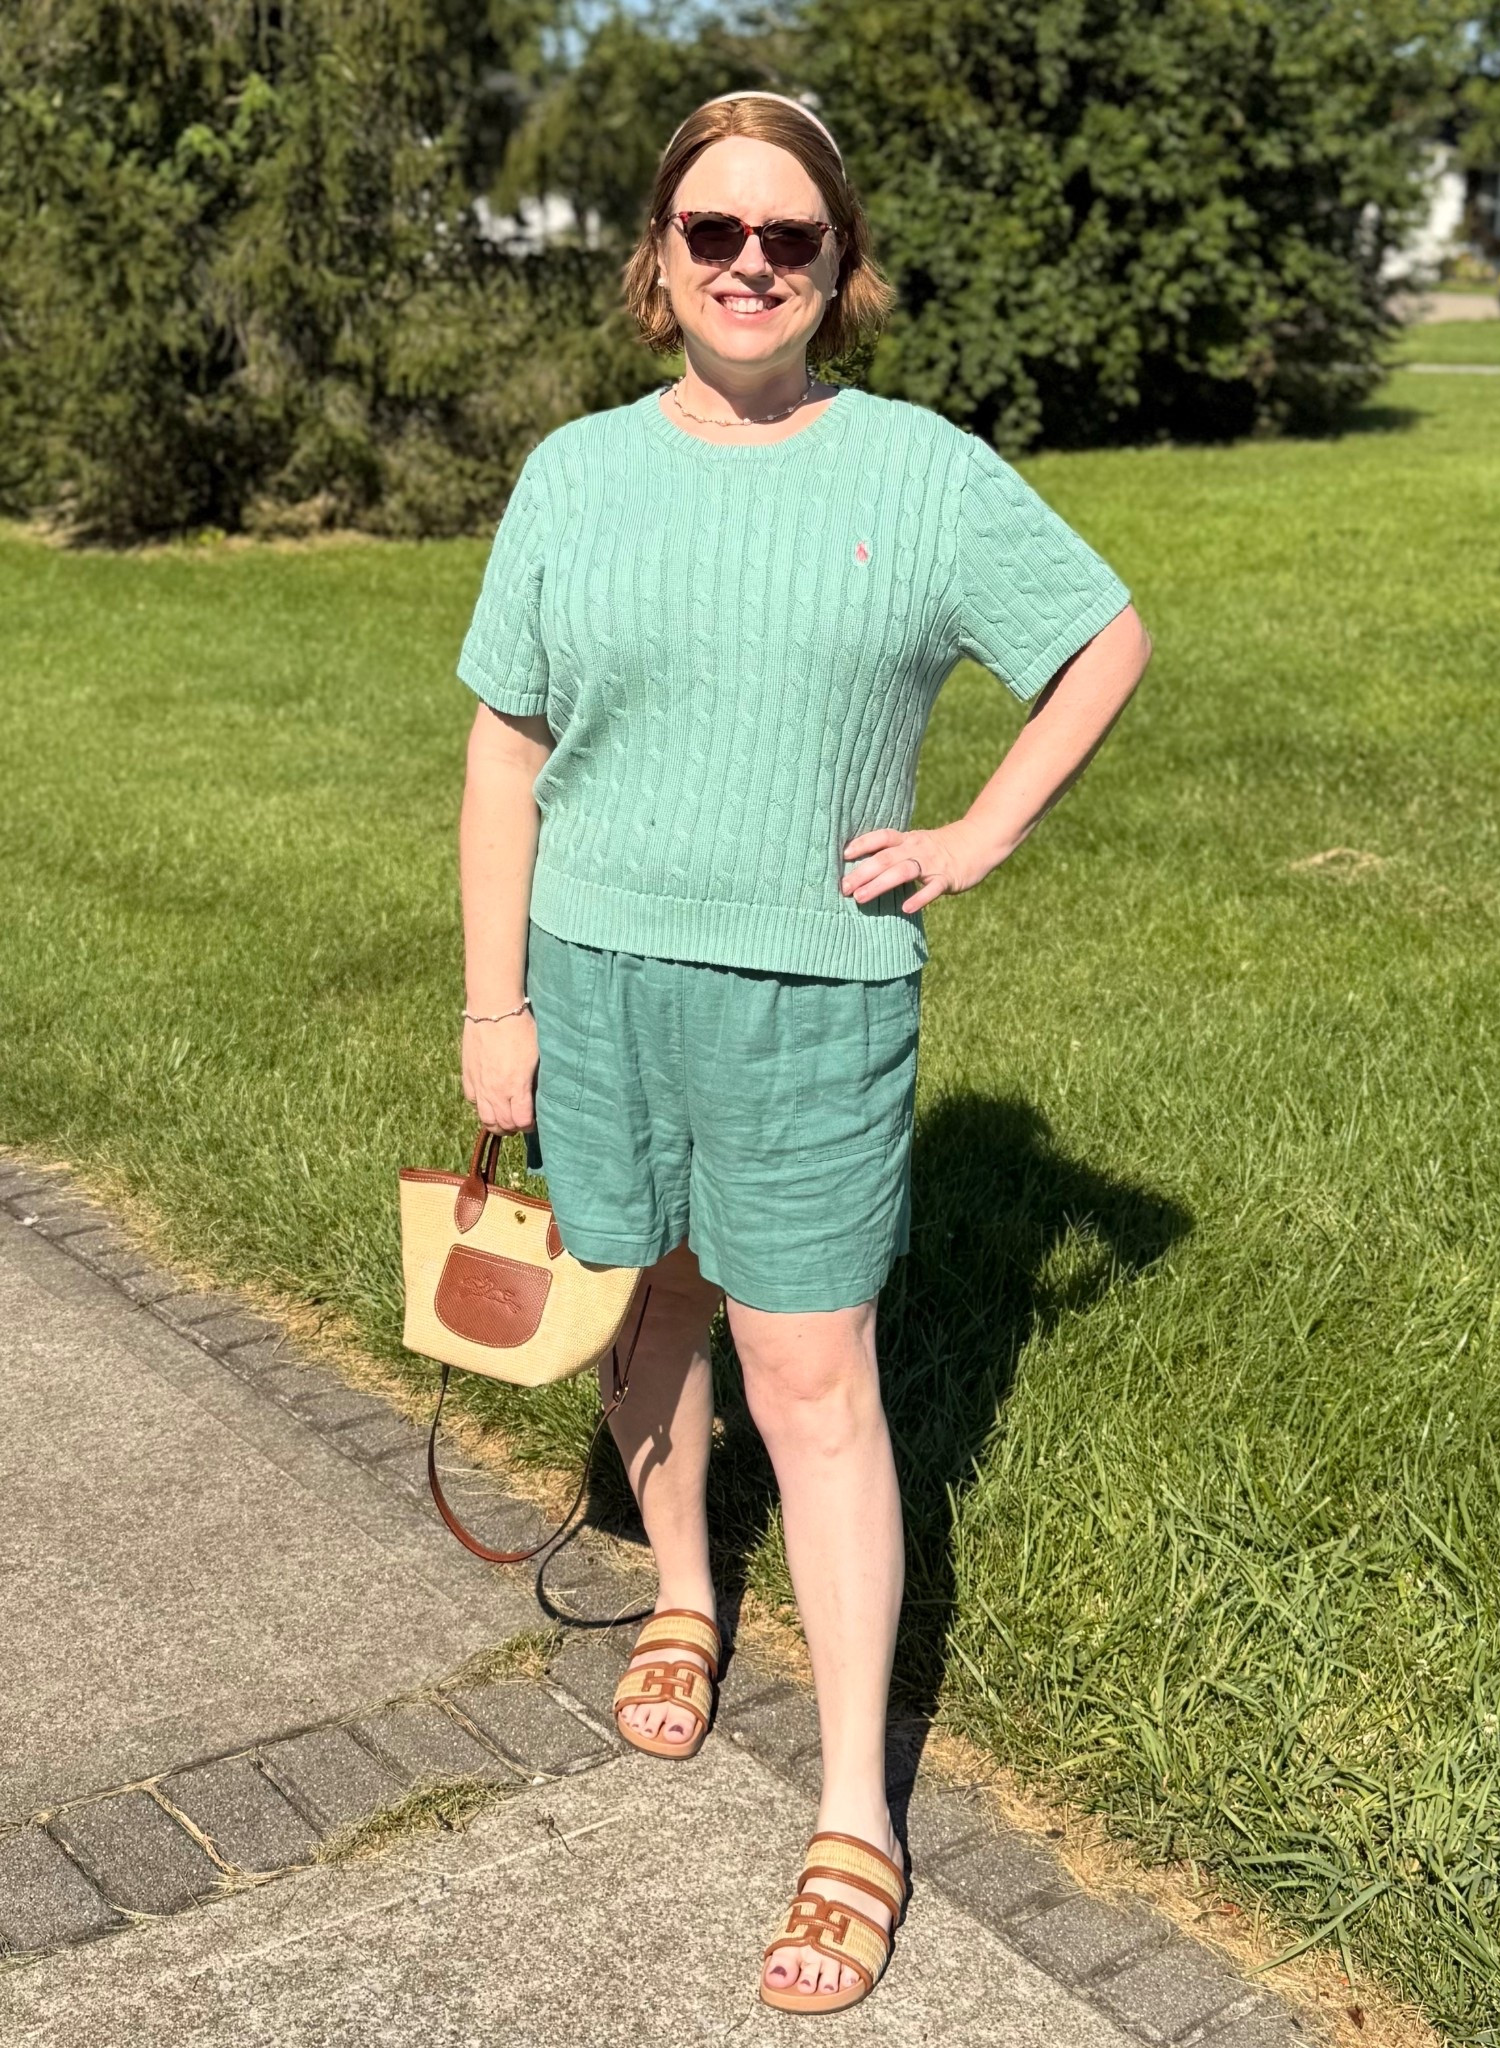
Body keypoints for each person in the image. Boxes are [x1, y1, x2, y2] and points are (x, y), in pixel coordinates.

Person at [456, 89, 1151, 2016]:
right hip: (591, 980)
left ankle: (857, 1806)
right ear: (655, 259)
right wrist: (490, 1002)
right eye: (713, 234)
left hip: (813, 992)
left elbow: (1101, 639)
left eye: (791, 241)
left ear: (842, 273)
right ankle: (684, 1590)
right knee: (645, 1311)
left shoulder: (921, 473)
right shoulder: (574, 474)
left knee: (815, 1369)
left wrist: (972, 837)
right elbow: (507, 749)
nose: (749, 265)